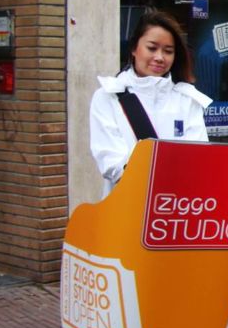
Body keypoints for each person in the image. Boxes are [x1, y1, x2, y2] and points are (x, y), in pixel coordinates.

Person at [90, 10, 212, 194]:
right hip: (126, 205)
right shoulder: (108, 97)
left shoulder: (188, 100)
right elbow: (110, 161)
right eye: (152, 48)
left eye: (168, 51)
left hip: (180, 209)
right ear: (134, 48)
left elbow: (199, 158)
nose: (160, 57)